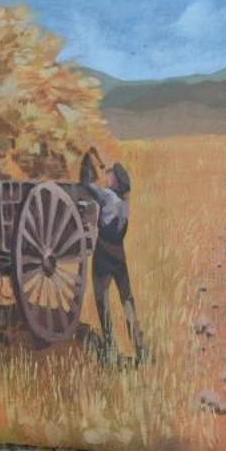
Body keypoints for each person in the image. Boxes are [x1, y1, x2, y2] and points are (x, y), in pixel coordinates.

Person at [80, 149, 141, 362]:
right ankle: (139, 348)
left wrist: (86, 163)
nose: (107, 177)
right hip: (119, 256)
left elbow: (86, 185)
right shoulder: (125, 203)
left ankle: (110, 348)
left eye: (110, 175)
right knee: (127, 301)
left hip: (103, 255)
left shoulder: (107, 196)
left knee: (102, 301)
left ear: (115, 182)